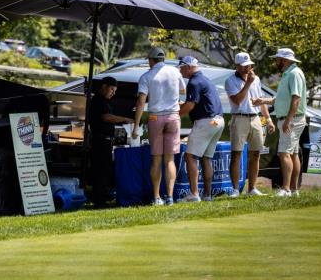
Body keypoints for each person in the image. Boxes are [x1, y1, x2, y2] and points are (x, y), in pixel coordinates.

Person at [132, 47, 185, 206]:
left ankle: (156, 197)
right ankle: (169, 197)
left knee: (156, 159)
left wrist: (136, 126)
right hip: (173, 117)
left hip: (156, 117)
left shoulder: (146, 76)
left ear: (151, 60)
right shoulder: (175, 72)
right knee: (169, 159)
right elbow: (183, 90)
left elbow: (141, 101)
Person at [252, 48, 307, 197]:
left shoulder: (294, 74)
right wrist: (263, 100)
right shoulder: (288, 73)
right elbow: (282, 98)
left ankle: (286, 189)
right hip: (292, 119)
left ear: (284, 60)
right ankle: (294, 190)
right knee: (293, 154)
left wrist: (288, 120)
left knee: (284, 154)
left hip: (292, 120)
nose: (276, 62)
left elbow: (296, 99)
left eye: (277, 59)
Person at [225, 52, 275, 197]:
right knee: (237, 154)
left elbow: (260, 101)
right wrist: (248, 83)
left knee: (256, 153)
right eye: (246, 66)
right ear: (238, 66)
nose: (249, 68)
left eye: (250, 65)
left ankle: (252, 188)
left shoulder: (256, 79)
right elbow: (237, 101)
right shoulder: (230, 81)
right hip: (239, 118)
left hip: (255, 118)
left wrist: (269, 119)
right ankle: (235, 189)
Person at [178, 56, 225, 202]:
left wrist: (174, 114)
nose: (180, 71)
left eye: (182, 67)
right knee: (206, 158)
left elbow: (190, 106)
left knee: (190, 156)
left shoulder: (194, 81)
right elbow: (195, 103)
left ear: (189, 67)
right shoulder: (204, 79)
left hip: (206, 122)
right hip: (218, 121)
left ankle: (194, 194)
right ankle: (207, 195)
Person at [89, 76, 134, 208]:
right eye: (112, 89)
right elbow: (106, 117)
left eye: (115, 90)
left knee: (105, 170)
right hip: (100, 140)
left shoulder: (106, 101)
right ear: (104, 87)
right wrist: (125, 119)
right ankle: (99, 200)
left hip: (106, 140)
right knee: (100, 170)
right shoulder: (98, 100)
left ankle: (102, 196)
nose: (113, 93)